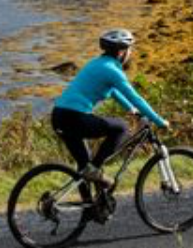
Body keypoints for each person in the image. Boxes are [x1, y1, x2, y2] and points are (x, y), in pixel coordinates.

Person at [51, 28, 168, 186]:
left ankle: (89, 206)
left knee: (84, 167)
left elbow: (112, 91)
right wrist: (159, 121)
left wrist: (130, 109)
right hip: (74, 117)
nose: (130, 52)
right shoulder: (113, 71)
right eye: (129, 49)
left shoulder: (97, 63)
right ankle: (95, 170)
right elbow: (137, 98)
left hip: (59, 116)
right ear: (121, 52)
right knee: (122, 128)